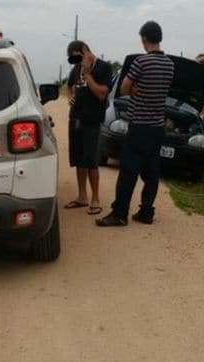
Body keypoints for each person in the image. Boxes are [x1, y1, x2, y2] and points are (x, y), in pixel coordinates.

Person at [97, 20, 174, 227]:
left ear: (144, 39)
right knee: (151, 172)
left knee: (128, 172)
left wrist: (134, 90)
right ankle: (146, 212)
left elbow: (123, 88)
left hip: (139, 125)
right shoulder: (170, 64)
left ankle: (120, 213)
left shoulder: (141, 62)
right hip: (157, 127)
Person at [64, 40, 112, 215]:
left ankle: (95, 199)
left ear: (84, 51)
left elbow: (101, 94)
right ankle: (82, 197)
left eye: (76, 57)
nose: (75, 62)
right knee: (78, 159)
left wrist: (87, 74)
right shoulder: (76, 68)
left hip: (92, 121)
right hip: (75, 119)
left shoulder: (104, 68)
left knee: (91, 161)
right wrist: (70, 97)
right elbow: (69, 87)